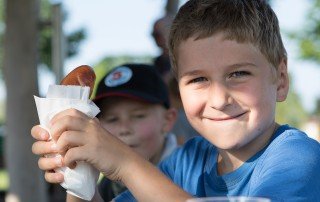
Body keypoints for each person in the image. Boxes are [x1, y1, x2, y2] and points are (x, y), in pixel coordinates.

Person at [31, 0, 320, 201]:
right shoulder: (186, 162)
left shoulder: (298, 158)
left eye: (239, 73)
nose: (219, 99)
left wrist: (124, 163)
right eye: (198, 79)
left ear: (281, 80)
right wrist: (78, 174)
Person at [93, 64, 178, 201]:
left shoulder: (191, 172)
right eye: (112, 119)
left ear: (167, 120)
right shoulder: (105, 187)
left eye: (138, 116)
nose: (124, 129)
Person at [151, 14, 174, 84]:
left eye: (157, 34)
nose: (154, 38)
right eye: (153, 35)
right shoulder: (159, 61)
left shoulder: (186, 59)